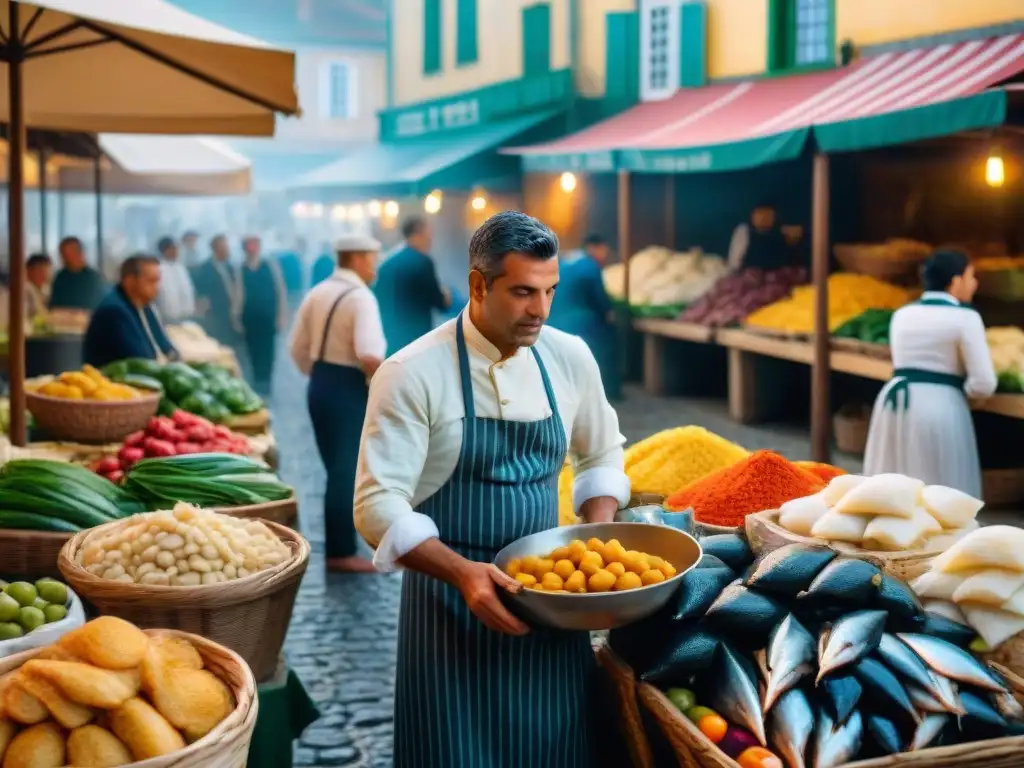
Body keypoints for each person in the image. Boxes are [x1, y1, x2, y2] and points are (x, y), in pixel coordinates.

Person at [355, 211, 631, 767]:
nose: (541, 310)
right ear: (478, 285)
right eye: (523, 293)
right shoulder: (411, 372)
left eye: (550, 291)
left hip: (551, 603)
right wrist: (462, 575)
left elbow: (600, 451)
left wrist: (595, 539)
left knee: (555, 751)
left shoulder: (569, 356)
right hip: (451, 606)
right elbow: (376, 504)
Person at [864, 248, 997, 496]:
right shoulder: (966, 318)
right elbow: (984, 382)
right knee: (941, 491)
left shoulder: (902, 315)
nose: (975, 283)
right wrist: (969, 394)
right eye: (971, 276)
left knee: (892, 489)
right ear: (956, 281)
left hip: (895, 402)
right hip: (941, 407)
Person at [290, 234, 386, 573]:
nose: (375, 266)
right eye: (373, 258)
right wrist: (384, 386)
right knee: (346, 470)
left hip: (320, 384)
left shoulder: (317, 292)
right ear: (357, 259)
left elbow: (296, 348)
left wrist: (319, 374)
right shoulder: (361, 297)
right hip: (347, 386)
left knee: (336, 468)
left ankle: (343, 544)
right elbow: (370, 353)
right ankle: (341, 552)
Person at [547, 233, 621, 401]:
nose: (605, 255)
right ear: (595, 247)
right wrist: (610, 312)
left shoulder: (564, 261)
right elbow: (600, 298)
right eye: (604, 250)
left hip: (553, 320)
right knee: (607, 345)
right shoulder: (590, 266)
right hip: (580, 323)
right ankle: (608, 392)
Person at [83, 254, 177, 368]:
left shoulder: (145, 305)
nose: (157, 287)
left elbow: (167, 348)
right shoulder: (113, 312)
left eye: (158, 281)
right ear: (129, 281)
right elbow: (141, 360)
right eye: (151, 281)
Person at [374, 216, 451, 355]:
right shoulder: (423, 262)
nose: (430, 242)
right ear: (417, 235)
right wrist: (445, 297)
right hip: (417, 338)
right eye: (428, 237)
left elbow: (378, 299)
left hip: (391, 337)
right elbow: (438, 301)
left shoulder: (387, 264)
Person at [238, 235, 288, 395]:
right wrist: (236, 316)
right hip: (250, 317)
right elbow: (239, 294)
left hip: (269, 316)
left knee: (268, 350)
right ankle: (256, 382)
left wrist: (281, 315)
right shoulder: (241, 269)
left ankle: (265, 384)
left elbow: (280, 290)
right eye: (249, 245)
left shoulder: (270, 265)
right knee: (252, 351)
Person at [191, 234, 240, 345]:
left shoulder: (230, 267)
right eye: (225, 247)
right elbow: (202, 295)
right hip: (216, 317)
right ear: (217, 249)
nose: (228, 251)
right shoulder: (205, 269)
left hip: (233, 315)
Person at [727, 202, 798, 271]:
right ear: (752, 216)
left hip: (776, 273)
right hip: (751, 272)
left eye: (768, 215)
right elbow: (735, 261)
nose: (763, 218)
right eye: (759, 214)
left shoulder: (782, 232)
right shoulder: (744, 231)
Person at [49, 236, 107, 311]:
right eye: (64, 253)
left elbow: (97, 306)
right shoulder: (60, 277)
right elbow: (54, 305)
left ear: (81, 253)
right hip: (61, 319)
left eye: (72, 252)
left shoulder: (93, 278)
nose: (68, 257)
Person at [154, 236, 196, 326]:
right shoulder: (158, 269)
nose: (177, 251)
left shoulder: (181, 268)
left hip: (186, 317)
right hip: (166, 320)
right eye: (173, 248)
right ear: (165, 250)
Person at [25, 253, 53, 321]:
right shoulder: (25, 289)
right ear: (28, 271)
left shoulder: (46, 289)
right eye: (40, 271)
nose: (45, 275)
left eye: (47, 271)